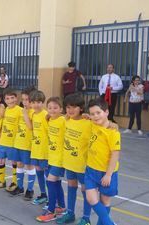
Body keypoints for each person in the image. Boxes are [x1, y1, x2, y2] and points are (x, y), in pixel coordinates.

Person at [56, 93, 92, 225]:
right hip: (69, 163)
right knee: (71, 186)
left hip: (83, 165)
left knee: (86, 190)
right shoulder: (66, 121)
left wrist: (112, 124)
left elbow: (103, 125)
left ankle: (86, 218)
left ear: (81, 108)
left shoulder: (88, 123)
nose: (70, 110)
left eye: (74, 107)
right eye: (68, 107)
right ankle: (70, 213)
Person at [86, 98, 120, 225]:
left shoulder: (113, 132)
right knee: (91, 198)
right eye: (92, 114)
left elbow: (115, 155)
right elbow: (79, 116)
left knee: (105, 201)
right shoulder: (92, 123)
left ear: (106, 112)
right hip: (91, 169)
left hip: (106, 172)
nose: (95, 116)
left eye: (98, 113)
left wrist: (108, 174)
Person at [36, 97, 66, 222]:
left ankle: (51, 211)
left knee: (50, 181)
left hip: (60, 158)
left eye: (55, 108)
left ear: (61, 109)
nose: (52, 110)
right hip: (51, 157)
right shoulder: (49, 120)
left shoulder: (63, 120)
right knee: (56, 182)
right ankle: (62, 207)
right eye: (50, 108)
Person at [10, 87, 37, 200]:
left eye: (28, 100)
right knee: (19, 164)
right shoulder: (21, 110)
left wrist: (25, 113)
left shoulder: (34, 113)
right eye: (24, 99)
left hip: (27, 144)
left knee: (29, 166)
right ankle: (20, 187)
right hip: (18, 143)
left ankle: (30, 189)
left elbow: (30, 127)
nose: (25, 102)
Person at [0, 89, 20, 191]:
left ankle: (14, 182)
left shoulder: (20, 111)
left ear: (16, 98)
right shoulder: (5, 110)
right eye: (7, 98)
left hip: (13, 143)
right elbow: (1, 126)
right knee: (0, 160)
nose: (10, 101)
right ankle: (1, 181)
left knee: (14, 163)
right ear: (4, 100)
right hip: (2, 141)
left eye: (12, 98)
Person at [29, 90, 49, 205]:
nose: (36, 105)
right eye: (34, 102)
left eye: (39, 102)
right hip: (35, 150)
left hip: (45, 152)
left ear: (43, 103)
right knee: (39, 174)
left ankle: (51, 199)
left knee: (48, 178)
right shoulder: (32, 114)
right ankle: (43, 194)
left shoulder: (46, 115)